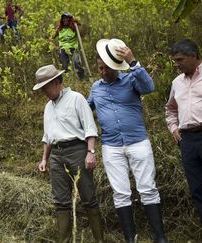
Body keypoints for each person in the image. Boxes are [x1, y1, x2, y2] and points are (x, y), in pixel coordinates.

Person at [88, 38, 167, 243]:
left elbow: (149, 87)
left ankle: (160, 237)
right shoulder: (95, 88)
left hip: (137, 141)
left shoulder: (132, 79)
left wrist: (134, 63)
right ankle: (130, 239)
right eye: (100, 68)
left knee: (147, 188)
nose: (103, 72)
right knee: (120, 192)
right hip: (111, 146)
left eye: (107, 68)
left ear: (116, 67)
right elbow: (86, 110)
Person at [34, 65, 104, 243]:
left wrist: (90, 152)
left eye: (46, 87)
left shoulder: (76, 99)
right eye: (42, 89)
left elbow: (90, 128)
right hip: (57, 156)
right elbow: (47, 137)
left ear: (57, 82)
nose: (44, 92)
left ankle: (99, 240)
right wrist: (44, 159)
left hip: (77, 151)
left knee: (88, 197)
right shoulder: (48, 107)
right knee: (61, 202)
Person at [165, 39, 202, 241]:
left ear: (194, 56)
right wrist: (173, 127)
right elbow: (170, 109)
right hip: (187, 142)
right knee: (198, 190)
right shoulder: (177, 82)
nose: (177, 64)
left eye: (180, 60)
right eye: (175, 60)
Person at [50, 12, 85, 80]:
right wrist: (55, 47)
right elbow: (50, 38)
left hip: (73, 48)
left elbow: (82, 34)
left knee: (77, 63)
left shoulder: (74, 27)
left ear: (70, 19)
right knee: (64, 67)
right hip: (63, 49)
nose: (65, 20)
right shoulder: (59, 29)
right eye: (63, 18)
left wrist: (77, 23)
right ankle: (68, 81)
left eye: (67, 18)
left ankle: (82, 79)